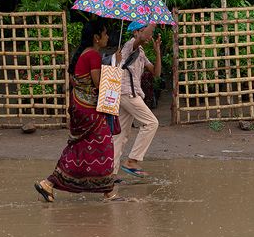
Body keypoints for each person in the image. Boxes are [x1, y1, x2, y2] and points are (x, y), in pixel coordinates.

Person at [35, 20, 122, 202]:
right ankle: (108, 191)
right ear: (96, 38)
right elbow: (99, 84)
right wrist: (116, 65)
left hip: (79, 106)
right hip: (89, 109)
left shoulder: (84, 53)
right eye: (105, 34)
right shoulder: (93, 56)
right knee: (104, 143)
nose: (107, 37)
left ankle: (49, 183)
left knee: (80, 148)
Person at [112, 22, 161, 178]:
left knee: (121, 134)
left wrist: (158, 52)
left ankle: (110, 174)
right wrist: (152, 23)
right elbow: (142, 38)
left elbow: (156, 72)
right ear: (136, 32)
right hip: (127, 93)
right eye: (146, 31)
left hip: (126, 94)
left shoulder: (140, 51)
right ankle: (132, 161)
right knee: (152, 123)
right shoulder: (129, 45)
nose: (150, 35)